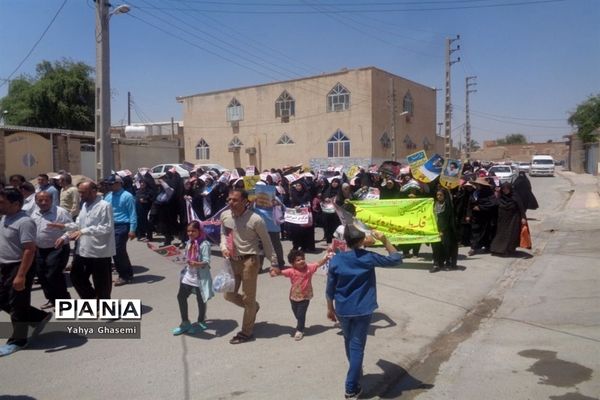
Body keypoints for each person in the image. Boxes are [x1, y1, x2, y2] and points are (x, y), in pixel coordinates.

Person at [326, 225, 402, 399]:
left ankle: (355, 369)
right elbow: (396, 259)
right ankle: (350, 388)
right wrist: (385, 240)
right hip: (363, 310)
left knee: (349, 341)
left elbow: (330, 288)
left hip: (343, 310)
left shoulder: (336, 260)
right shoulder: (368, 257)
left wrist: (330, 308)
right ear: (361, 241)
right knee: (357, 348)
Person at [220, 189, 278, 344]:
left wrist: (273, 263)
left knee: (248, 298)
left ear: (245, 201)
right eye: (229, 199)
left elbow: (266, 242)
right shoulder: (225, 216)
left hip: (250, 262)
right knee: (228, 295)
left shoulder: (256, 219)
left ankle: (246, 332)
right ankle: (253, 307)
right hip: (232, 261)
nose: (230, 202)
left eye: (235, 200)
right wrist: (223, 247)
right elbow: (223, 235)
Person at [0, 188, 52, 357]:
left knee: (17, 305)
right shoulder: (5, 217)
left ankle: (18, 340)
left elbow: (29, 250)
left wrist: (21, 275)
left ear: (16, 204)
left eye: (2, 202)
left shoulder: (25, 222)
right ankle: (38, 317)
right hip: (4, 266)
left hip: (20, 265)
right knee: (3, 299)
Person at [52, 181, 115, 300]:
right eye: (79, 192)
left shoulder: (104, 205)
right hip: (84, 250)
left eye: (83, 192)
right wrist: (64, 227)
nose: (80, 195)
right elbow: (78, 224)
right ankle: (92, 299)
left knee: (102, 283)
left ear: (93, 191)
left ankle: (105, 308)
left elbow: (106, 227)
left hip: (99, 251)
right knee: (76, 277)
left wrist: (83, 231)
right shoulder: (85, 205)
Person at [269, 249, 330, 341]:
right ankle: (300, 322)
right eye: (298, 260)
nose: (301, 261)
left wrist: (326, 257)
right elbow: (280, 272)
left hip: (305, 297)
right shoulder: (291, 271)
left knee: (301, 314)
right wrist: (274, 272)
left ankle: (299, 330)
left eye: (302, 259)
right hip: (293, 297)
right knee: (296, 313)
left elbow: (318, 263)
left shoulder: (309, 268)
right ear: (292, 263)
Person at [30, 191, 73, 309]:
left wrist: (63, 238)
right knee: (42, 275)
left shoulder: (60, 212)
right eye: (40, 200)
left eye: (46, 200)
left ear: (51, 200)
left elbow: (72, 228)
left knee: (53, 274)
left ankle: (65, 303)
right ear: (36, 201)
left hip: (57, 248)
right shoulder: (34, 213)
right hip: (40, 249)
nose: (43, 203)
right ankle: (52, 299)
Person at [173, 221, 214, 335]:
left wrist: (195, 263)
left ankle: (201, 320)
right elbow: (186, 258)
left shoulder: (204, 244)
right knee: (181, 297)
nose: (190, 233)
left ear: (199, 231)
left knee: (201, 300)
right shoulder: (189, 243)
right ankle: (185, 322)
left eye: (193, 231)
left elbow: (206, 261)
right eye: (188, 231)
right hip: (188, 276)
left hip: (199, 278)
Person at [104, 174, 137, 286]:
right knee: (118, 251)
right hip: (111, 226)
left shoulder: (127, 196)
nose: (109, 186)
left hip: (123, 225)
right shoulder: (108, 196)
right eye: (108, 184)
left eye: (111, 184)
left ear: (119, 183)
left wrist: (132, 229)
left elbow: (132, 213)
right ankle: (127, 274)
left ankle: (123, 275)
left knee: (118, 250)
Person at [490, 182, 527, 256]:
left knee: (511, 235)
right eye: (503, 189)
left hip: (513, 219)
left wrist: (523, 217)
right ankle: (498, 249)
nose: (505, 190)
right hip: (502, 219)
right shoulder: (500, 197)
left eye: (507, 189)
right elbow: (495, 205)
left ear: (510, 189)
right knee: (501, 234)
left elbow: (521, 207)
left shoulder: (515, 196)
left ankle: (508, 250)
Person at [431, 189, 459, 272]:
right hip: (435, 230)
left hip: (446, 231)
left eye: (440, 195)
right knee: (435, 247)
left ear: (445, 196)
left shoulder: (447, 206)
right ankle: (436, 264)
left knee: (446, 247)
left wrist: (442, 231)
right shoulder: (434, 204)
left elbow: (448, 220)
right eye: (437, 195)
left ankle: (447, 262)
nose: (438, 197)